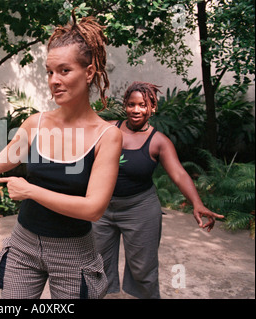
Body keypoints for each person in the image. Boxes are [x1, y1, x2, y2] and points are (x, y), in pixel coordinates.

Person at [0, 15, 122, 299]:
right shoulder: (36, 123)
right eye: (50, 72)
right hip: (24, 244)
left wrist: (30, 190)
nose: (54, 81)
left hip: (73, 252)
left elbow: (93, 209)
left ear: (89, 72)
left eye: (64, 71)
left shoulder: (107, 136)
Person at [92, 81, 225, 299]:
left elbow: (180, 174)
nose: (136, 110)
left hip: (140, 209)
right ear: (125, 105)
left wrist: (197, 203)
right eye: (131, 104)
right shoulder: (107, 129)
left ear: (152, 108)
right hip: (101, 208)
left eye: (143, 105)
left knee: (143, 269)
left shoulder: (158, 142)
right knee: (96, 265)